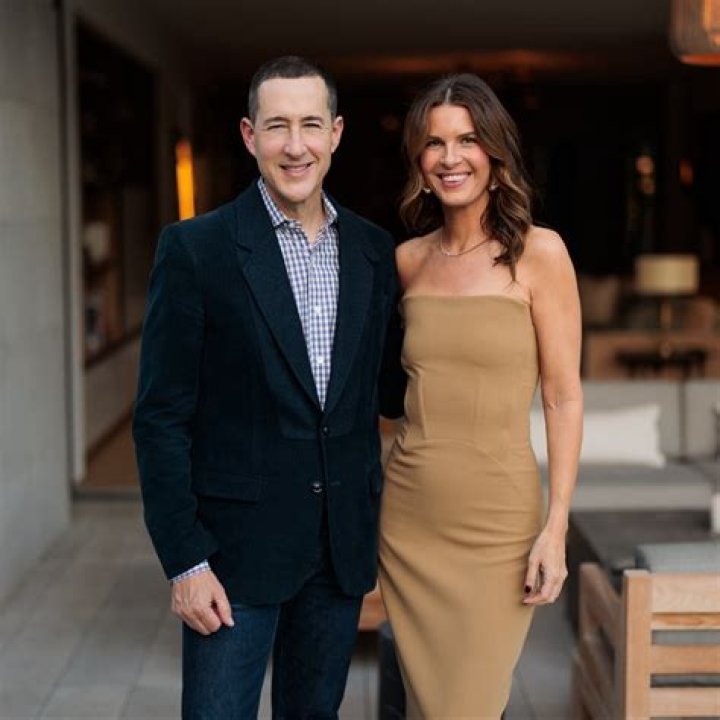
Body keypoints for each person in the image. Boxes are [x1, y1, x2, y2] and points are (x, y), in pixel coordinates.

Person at [133, 56, 398, 719]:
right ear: (250, 136)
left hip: (338, 553)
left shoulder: (373, 252)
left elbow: (393, 391)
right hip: (230, 559)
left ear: (336, 133)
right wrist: (185, 562)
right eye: (278, 126)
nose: (295, 145)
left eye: (311, 124)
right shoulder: (196, 250)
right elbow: (160, 418)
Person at [378, 74, 583, 718]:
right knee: (427, 706)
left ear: (495, 153)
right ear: (419, 161)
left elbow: (563, 397)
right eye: (434, 143)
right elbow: (387, 390)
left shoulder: (541, 254)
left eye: (467, 140)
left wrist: (557, 526)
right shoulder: (406, 261)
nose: (450, 157)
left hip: (498, 526)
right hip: (410, 520)